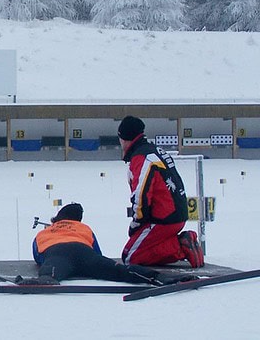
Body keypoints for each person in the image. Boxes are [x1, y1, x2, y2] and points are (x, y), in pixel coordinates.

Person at [19, 203, 192, 286]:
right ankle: (158, 278)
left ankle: (47, 279)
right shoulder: (83, 227)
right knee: (119, 270)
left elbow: (38, 254)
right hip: (84, 253)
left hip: (57, 253)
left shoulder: (44, 232)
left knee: (50, 272)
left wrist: (48, 265)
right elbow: (97, 251)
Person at [117, 115, 204, 268]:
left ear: (124, 138)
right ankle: (180, 243)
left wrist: (137, 223)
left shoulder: (141, 158)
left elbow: (141, 195)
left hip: (163, 219)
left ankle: (181, 246)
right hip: (174, 214)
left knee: (130, 256)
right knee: (138, 247)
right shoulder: (154, 151)